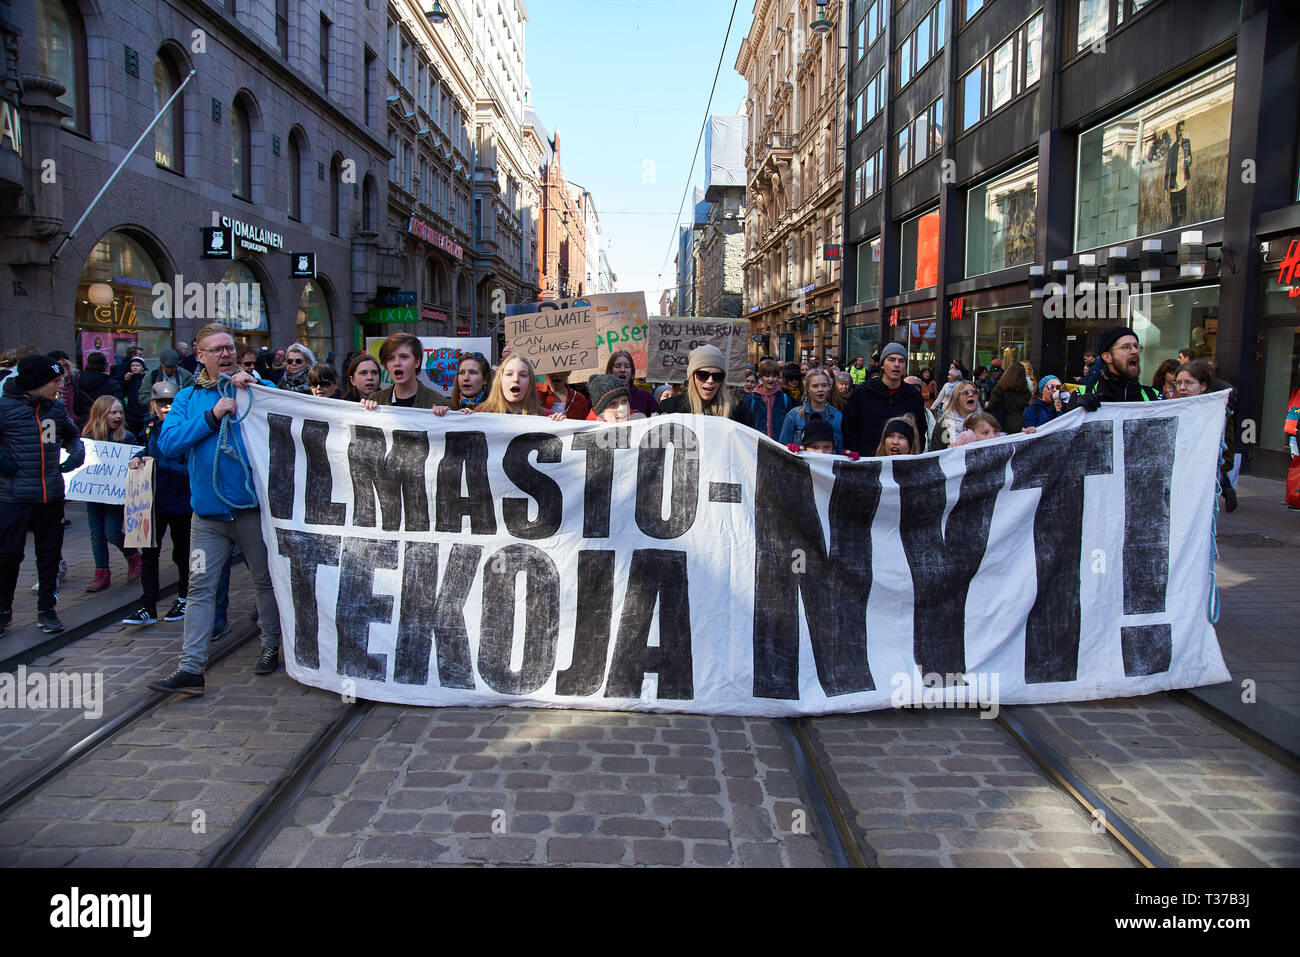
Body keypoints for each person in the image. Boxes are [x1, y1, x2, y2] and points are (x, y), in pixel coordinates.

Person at [148, 322, 283, 696]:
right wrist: (213, 416)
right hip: (206, 517)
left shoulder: (256, 389)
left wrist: (254, 386)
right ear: (201, 356)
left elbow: (287, 419)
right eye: (216, 349)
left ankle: (271, 644)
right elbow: (169, 443)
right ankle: (191, 668)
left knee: (264, 580)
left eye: (229, 347)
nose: (225, 354)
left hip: (251, 511)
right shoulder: (189, 397)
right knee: (200, 587)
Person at [0, 356, 85, 636]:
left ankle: (47, 609)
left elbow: (73, 436)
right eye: (55, 381)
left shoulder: (56, 409)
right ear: (37, 383)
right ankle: (3, 610)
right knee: (9, 555)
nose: (61, 386)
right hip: (14, 498)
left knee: (49, 557)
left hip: (51, 495)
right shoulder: (4, 409)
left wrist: (77, 453)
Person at [122, 381, 190, 626]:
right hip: (153, 501)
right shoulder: (151, 426)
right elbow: (148, 449)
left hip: (181, 502)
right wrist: (137, 458)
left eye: (170, 402)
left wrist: (159, 465)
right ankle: (148, 605)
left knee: (182, 554)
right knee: (149, 553)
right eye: (161, 402)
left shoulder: (184, 427)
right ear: (153, 404)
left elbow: (189, 469)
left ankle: (184, 597)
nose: (166, 407)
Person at [81, 396, 140, 592]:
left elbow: (136, 457)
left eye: (120, 412)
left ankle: (132, 555)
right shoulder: (88, 438)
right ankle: (101, 572)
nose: (118, 416)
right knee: (96, 534)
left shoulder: (126, 437)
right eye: (113, 413)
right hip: (95, 493)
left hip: (116, 494)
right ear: (100, 415)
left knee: (112, 531)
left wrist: (136, 459)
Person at [843, 342, 927, 455]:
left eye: (901, 361)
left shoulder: (914, 396)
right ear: (882, 364)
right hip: (868, 462)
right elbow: (849, 428)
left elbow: (920, 431)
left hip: (901, 465)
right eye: (891, 360)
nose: (896, 364)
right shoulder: (863, 392)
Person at [1175, 359, 1236, 512]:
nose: (1182, 387)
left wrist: (1209, 470)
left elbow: (1227, 456)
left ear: (1203, 386)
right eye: (1178, 382)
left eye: (1189, 383)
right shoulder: (1168, 410)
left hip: (1202, 485)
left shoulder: (1217, 415)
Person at [363, 333, 451, 412]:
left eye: (404, 357)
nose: (397, 363)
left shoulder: (439, 403)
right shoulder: (376, 400)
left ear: (417, 362)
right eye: (390, 358)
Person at [659, 345, 747, 422]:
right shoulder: (670, 408)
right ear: (692, 377)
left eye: (717, 376)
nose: (710, 381)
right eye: (703, 375)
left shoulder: (737, 411)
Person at [1077, 327, 1162, 404]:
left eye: (1136, 346)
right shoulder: (1082, 394)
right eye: (1126, 347)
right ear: (1107, 357)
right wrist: (1078, 409)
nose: (1135, 351)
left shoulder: (1154, 397)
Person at [479, 354, 566, 419]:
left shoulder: (547, 417)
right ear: (500, 380)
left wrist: (561, 426)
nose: (516, 379)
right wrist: (466, 417)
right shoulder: (480, 414)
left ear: (530, 382)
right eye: (509, 374)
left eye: (523, 375)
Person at [779, 368, 844, 452]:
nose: (820, 389)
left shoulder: (838, 417)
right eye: (815, 386)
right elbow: (782, 449)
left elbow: (840, 452)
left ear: (829, 387)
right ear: (808, 389)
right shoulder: (793, 416)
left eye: (824, 385)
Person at [742, 358, 798, 439]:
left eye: (774, 376)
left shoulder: (785, 399)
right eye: (767, 376)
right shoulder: (751, 399)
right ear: (761, 378)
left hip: (779, 445)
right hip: (757, 445)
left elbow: (790, 426)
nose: (771, 379)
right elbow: (745, 425)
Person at [72, 352, 122, 428]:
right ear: (105, 365)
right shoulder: (112, 384)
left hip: (86, 424)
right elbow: (119, 406)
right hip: (106, 424)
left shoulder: (78, 382)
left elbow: (76, 409)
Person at [930, 379, 981, 451]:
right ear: (956, 398)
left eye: (974, 392)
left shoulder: (986, 423)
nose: (971, 394)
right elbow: (935, 455)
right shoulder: (944, 426)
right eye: (965, 393)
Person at [606, 350, 659, 417]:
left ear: (632, 371)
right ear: (610, 370)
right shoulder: (600, 398)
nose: (622, 370)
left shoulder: (645, 396)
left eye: (627, 366)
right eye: (617, 366)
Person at [985, 361, 1032, 434]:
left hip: (1002, 425)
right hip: (1021, 426)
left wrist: (986, 406)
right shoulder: (1026, 393)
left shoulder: (999, 389)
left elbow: (992, 406)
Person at [1165, 119, 1192, 228]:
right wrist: (1165, 188)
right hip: (1174, 185)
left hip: (1183, 183)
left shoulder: (1186, 143)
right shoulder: (1172, 149)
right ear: (1176, 132)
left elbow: (1190, 159)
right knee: (1175, 214)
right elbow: (1167, 170)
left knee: (1184, 211)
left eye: (1182, 130)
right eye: (1178, 130)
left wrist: (1189, 161)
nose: (1180, 133)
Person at [121, 356, 153, 436]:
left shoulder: (148, 378)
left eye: (137, 366)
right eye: (133, 366)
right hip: (131, 413)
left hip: (144, 412)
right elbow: (123, 392)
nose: (135, 368)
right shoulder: (129, 378)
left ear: (143, 367)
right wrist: (125, 381)